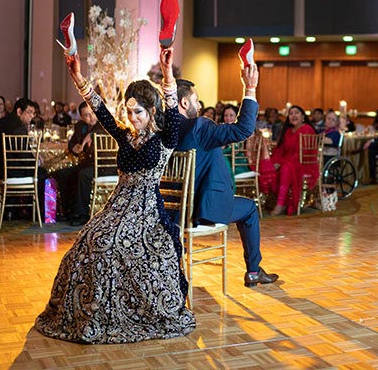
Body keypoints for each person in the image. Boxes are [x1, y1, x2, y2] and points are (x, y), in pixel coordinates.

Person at [35, 46, 195, 343]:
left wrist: (168, 72)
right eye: (129, 111)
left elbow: (173, 113)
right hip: (117, 205)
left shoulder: (165, 138)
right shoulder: (124, 134)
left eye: (139, 112)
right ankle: (91, 314)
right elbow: (100, 111)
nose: (132, 117)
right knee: (87, 240)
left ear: (151, 112)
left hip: (146, 212)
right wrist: (78, 76)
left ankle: (117, 313)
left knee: (109, 244)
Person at [176, 64, 279, 287]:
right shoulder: (199, 127)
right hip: (203, 209)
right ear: (184, 103)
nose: (198, 105)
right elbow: (243, 130)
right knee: (250, 209)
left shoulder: (164, 131)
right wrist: (250, 88)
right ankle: (253, 271)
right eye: (195, 100)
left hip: (174, 212)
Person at [52, 101, 108, 226]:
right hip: (87, 163)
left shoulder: (104, 124)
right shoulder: (80, 126)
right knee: (62, 174)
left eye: (93, 113)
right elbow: (71, 143)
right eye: (86, 115)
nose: (91, 117)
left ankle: (82, 214)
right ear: (82, 117)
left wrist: (92, 134)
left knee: (83, 174)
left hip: (104, 165)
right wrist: (74, 148)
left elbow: (103, 131)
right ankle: (68, 211)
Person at [264, 105, 318, 216]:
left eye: (296, 113)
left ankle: (280, 204)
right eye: (291, 113)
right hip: (289, 162)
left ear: (303, 117)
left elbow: (303, 154)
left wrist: (282, 163)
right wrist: (276, 162)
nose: (293, 115)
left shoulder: (307, 129)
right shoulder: (288, 131)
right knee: (269, 168)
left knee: (286, 169)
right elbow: (280, 151)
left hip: (304, 164)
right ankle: (282, 202)